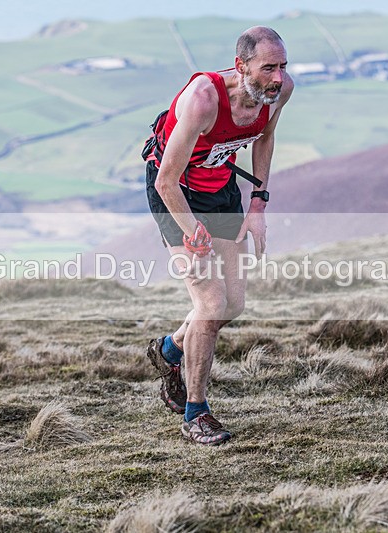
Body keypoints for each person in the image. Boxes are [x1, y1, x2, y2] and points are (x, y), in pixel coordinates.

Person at [144, 26, 294, 445]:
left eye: (282, 66)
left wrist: (258, 205)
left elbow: (265, 136)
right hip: (176, 194)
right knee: (210, 305)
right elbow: (165, 182)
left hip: (220, 189)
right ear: (241, 65)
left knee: (234, 304)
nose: (278, 78)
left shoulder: (280, 92)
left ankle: (171, 350)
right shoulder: (203, 100)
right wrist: (194, 235)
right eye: (268, 68)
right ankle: (196, 413)